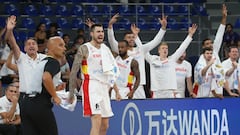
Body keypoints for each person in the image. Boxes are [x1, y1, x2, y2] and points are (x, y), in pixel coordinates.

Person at [69, 24, 120, 135]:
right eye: (98, 31)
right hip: (91, 85)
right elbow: (74, 71)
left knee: (105, 124)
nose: (101, 34)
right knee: (96, 119)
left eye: (102, 31)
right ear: (92, 34)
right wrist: (71, 92)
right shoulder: (85, 48)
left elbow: (110, 71)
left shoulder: (105, 49)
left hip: (104, 87)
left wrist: (116, 90)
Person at [108, 13, 167, 98]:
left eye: (133, 37)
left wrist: (163, 28)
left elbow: (155, 41)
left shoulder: (141, 49)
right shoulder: (121, 51)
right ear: (124, 40)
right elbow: (111, 41)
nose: (131, 39)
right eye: (129, 37)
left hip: (139, 87)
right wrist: (110, 26)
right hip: (124, 88)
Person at [145, 24, 197, 98]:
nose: (165, 50)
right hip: (157, 92)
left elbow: (182, 48)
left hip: (169, 92)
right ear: (159, 50)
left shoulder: (172, 60)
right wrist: (136, 38)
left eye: (166, 48)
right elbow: (143, 50)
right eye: (163, 48)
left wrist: (190, 35)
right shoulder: (152, 59)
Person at [194, 4, 227, 98]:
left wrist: (224, 18)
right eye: (207, 44)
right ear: (203, 47)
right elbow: (198, 77)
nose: (211, 45)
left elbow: (220, 34)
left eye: (211, 43)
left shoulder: (214, 51)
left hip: (218, 90)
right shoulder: (201, 60)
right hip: (205, 93)